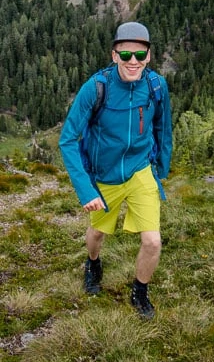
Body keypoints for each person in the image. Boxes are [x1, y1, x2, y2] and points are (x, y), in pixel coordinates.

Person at [59, 21, 172, 319]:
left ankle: (140, 292)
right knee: (96, 233)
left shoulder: (156, 86)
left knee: (153, 241)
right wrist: (85, 189)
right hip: (105, 175)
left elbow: (163, 129)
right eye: (125, 56)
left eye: (139, 55)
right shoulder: (96, 88)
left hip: (140, 170)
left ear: (148, 56)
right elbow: (68, 139)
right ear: (114, 55)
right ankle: (93, 263)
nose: (132, 62)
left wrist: (161, 169)